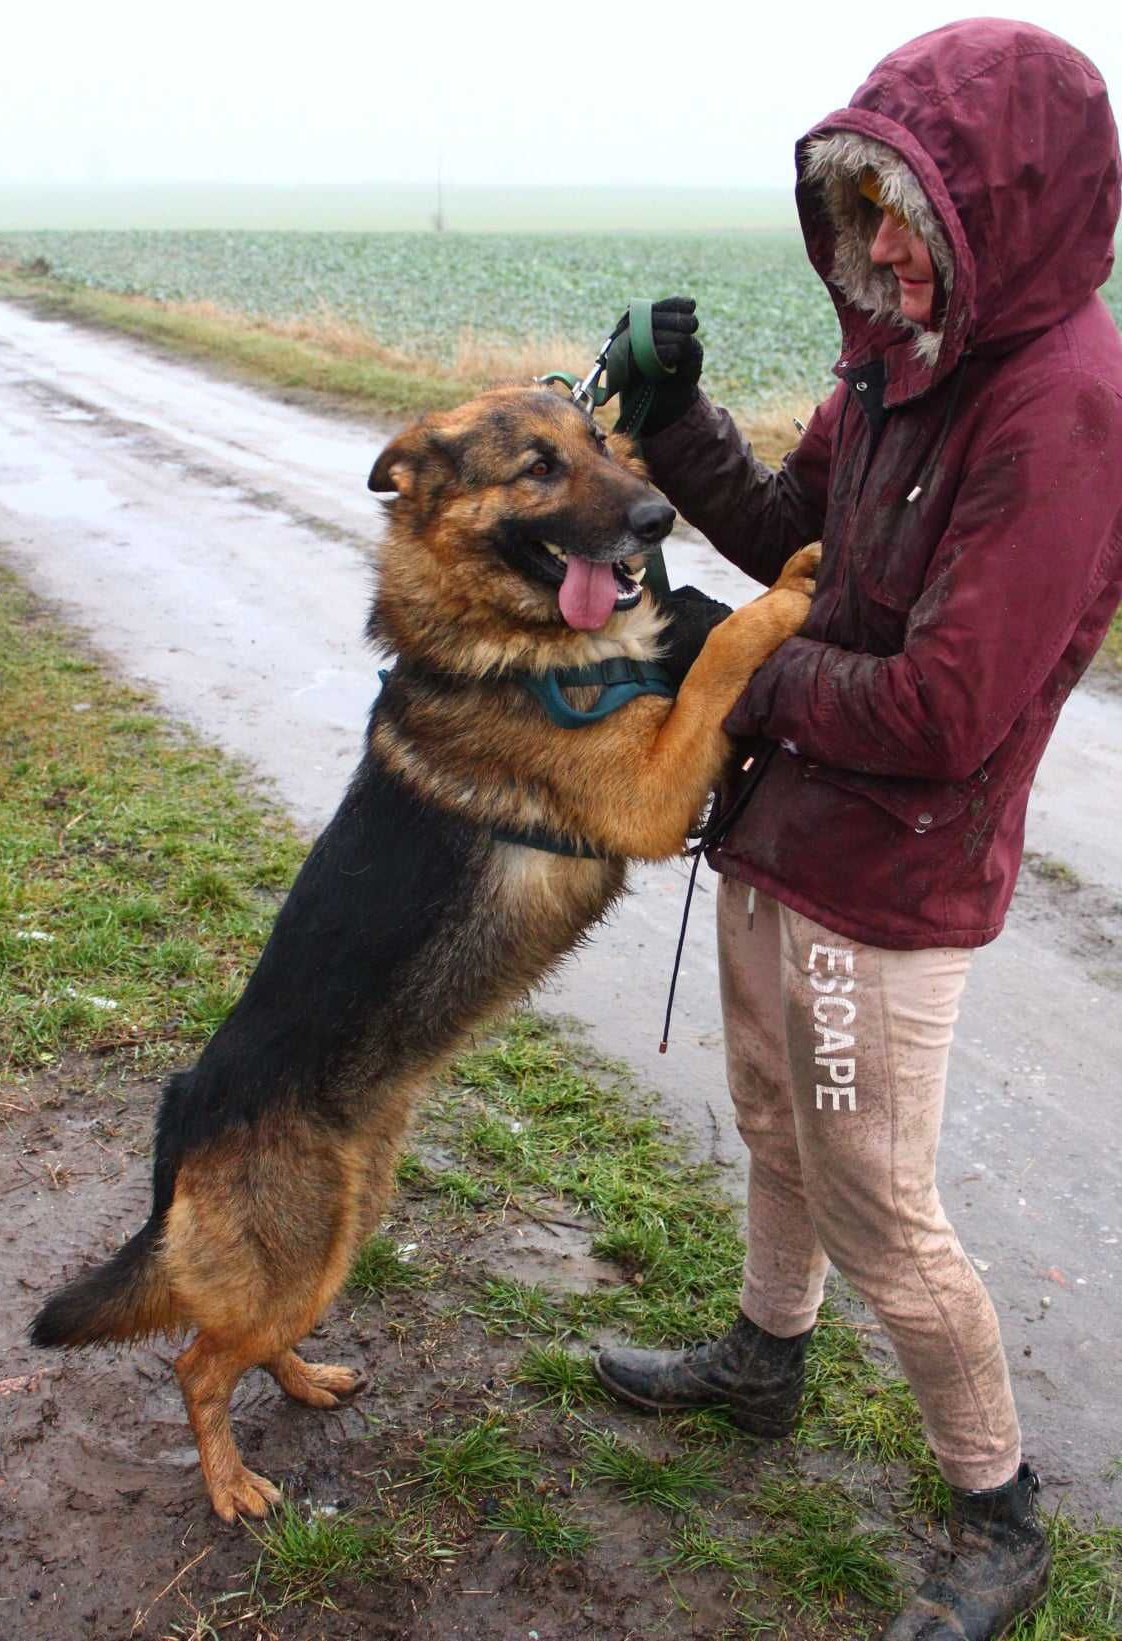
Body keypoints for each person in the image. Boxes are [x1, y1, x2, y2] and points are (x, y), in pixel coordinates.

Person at [591, 19, 1122, 1640]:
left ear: (1002, 211)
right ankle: (764, 1358)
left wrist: (729, 671)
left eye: (911, 207)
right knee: (775, 1120)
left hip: (887, 888)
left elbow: (951, 709)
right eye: (861, 201)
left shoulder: (1062, 408)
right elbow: (782, 530)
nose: (878, 243)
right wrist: (674, 423)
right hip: (790, 836)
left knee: (876, 1191)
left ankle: (997, 1511)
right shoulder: (900, 352)